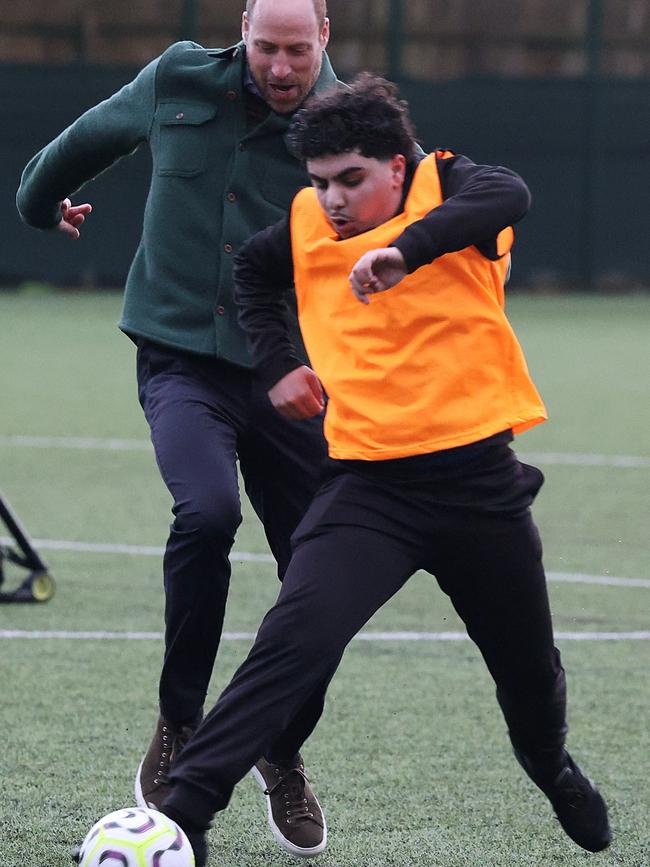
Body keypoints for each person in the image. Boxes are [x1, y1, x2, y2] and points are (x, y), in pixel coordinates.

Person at [154, 73, 612, 866]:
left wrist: (406, 249)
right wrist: (277, 364)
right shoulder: (303, 224)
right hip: (370, 488)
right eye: (320, 181)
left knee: (531, 678)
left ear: (397, 166)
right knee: (290, 642)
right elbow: (257, 278)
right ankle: (185, 812)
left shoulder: (456, 186)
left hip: (481, 490)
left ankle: (549, 765)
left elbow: (511, 193)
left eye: (351, 180)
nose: (331, 199)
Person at [16, 0, 341, 857]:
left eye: (296, 51)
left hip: (290, 375)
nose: (279, 67)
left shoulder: (352, 123)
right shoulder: (177, 77)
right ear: (244, 30)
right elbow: (82, 144)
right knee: (205, 512)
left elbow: (424, 202)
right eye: (266, 47)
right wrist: (39, 205)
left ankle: (280, 744)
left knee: (329, 570)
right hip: (182, 358)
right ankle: (179, 723)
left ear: (325, 40)